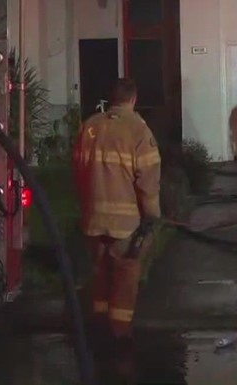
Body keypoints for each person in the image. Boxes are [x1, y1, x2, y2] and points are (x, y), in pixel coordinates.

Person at [74, 78, 161, 342]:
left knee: (100, 273)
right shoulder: (138, 131)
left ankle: (98, 328)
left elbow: (77, 172)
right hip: (126, 225)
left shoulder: (90, 126)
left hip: (92, 219)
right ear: (133, 99)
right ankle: (120, 339)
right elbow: (148, 181)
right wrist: (152, 216)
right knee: (125, 277)